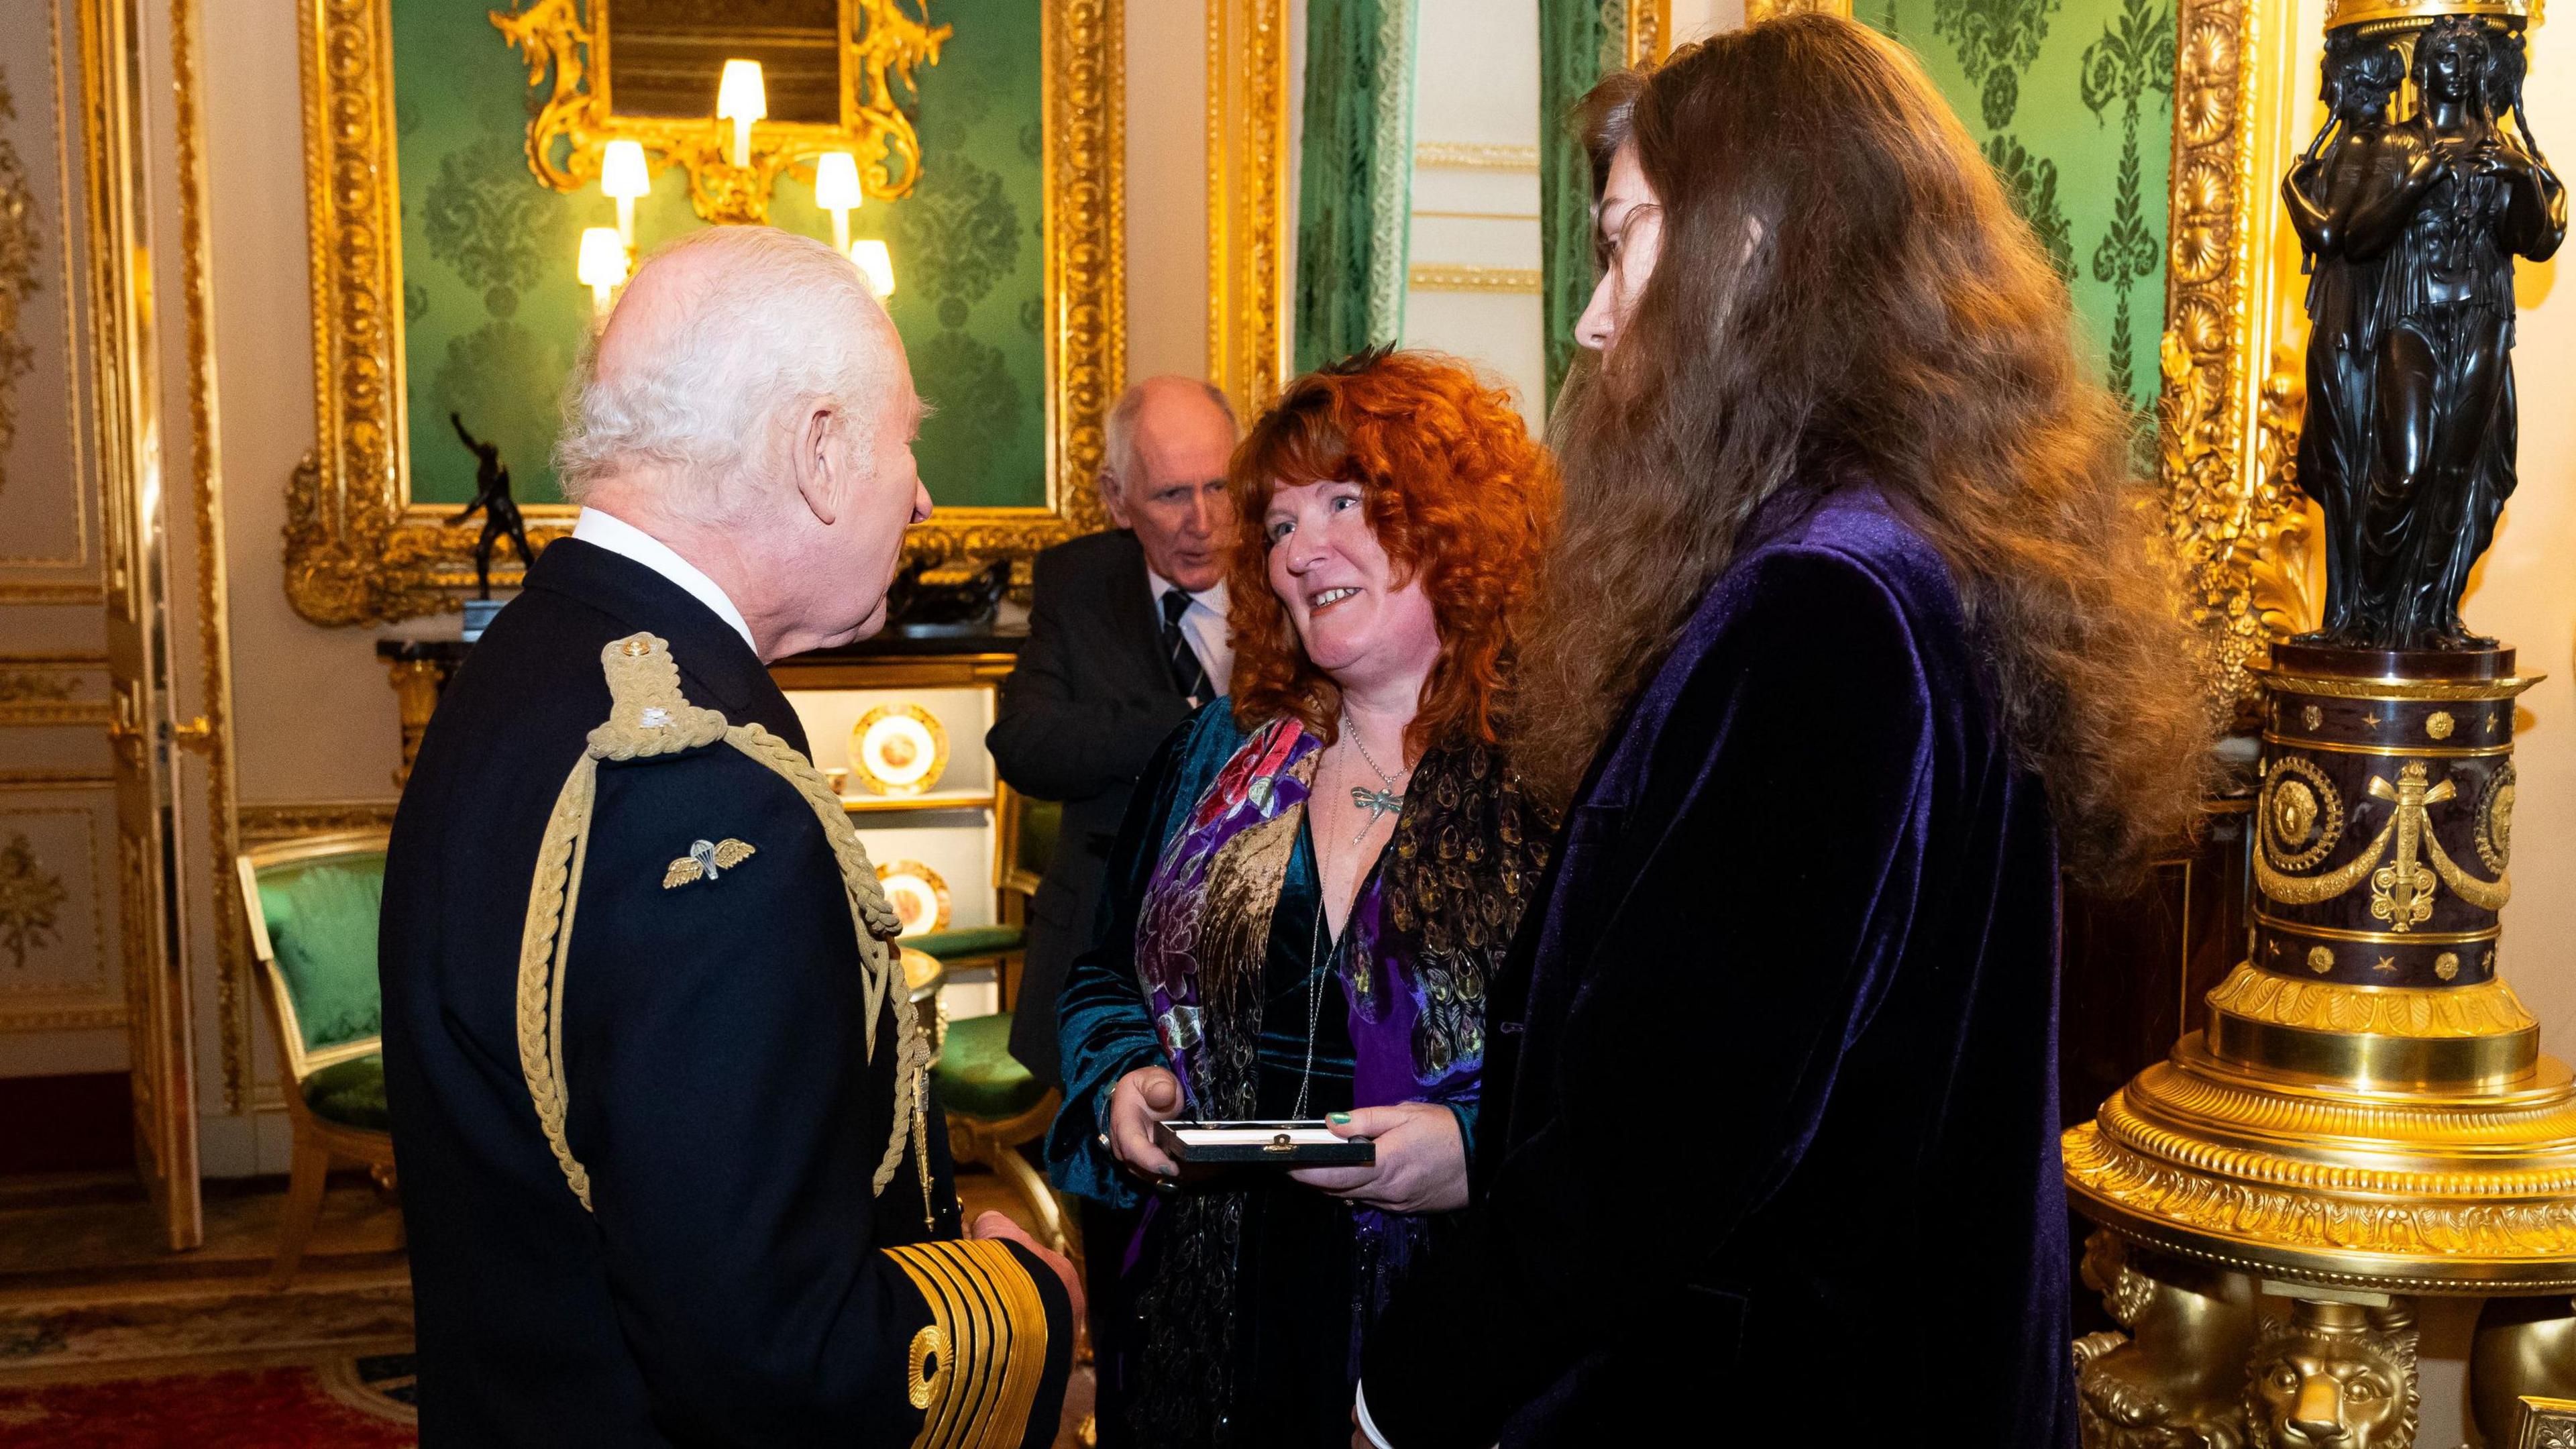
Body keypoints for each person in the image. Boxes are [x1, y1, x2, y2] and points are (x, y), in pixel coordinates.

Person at [1356, 17, 2210, 1448]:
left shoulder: (1824, 609)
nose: (1590, 314)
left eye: (1622, 241)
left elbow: (1675, 1134)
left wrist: (1410, 1387)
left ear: (1747, 249)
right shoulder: (1928, 556)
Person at [380, 226, 1077, 1448]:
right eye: (906, 437)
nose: (921, 493)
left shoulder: (532, 666)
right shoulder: (698, 779)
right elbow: (763, 1349)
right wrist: (1023, 1310)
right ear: (818, 448)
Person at [1049, 350, 1556, 1449]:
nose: (1299, 551)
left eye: (1343, 502)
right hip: (1204, 1322)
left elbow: (1645, 1077)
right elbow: (1101, 976)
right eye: (1276, 525)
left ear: (1453, 519)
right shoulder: (1224, 750)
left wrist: (1475, 1151)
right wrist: (1122, 1076)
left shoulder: (1565, 773)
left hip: (1455, 1334)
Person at [989, 375, 1242, 1093]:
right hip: (1101, 956)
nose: (1203, 520)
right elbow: (1026, 744)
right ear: (1115, 497)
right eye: (1171, 495)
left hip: (1254, 965)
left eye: (1221, 487)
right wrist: (1194, 724)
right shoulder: (1078, 580)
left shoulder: (1292, 569)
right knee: (1099, 1201)